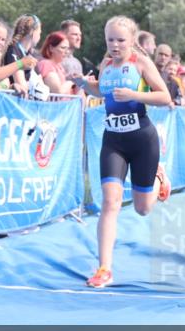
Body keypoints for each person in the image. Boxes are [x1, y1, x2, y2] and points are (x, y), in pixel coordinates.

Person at [69, 16, 172, 288]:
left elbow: (164, 97)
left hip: (142, 140)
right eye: (110, 40)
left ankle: (158, 178)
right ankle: (104, 268)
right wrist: (83, 83)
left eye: (121, 40)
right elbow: (101, 91)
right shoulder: (106, 64)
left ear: (132, 40)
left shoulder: (141, 63)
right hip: (113, 141)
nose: (115, 45)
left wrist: (135, 95)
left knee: (143, 208)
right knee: (110, 202)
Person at [3, 14, 43, 95]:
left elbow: (41, 85)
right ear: (33, 33)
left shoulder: (29, 55)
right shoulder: (13, 49)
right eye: (39, 33)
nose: (40, 37)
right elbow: (21, 84)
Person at [36, 31, 84, 98]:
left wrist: (80, 82)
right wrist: (71, 81)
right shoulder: (46, 64)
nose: (66, 52)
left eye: (67, 48)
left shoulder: (59, 66)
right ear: (51, 48)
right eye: (63, 48)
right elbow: (58, 92)